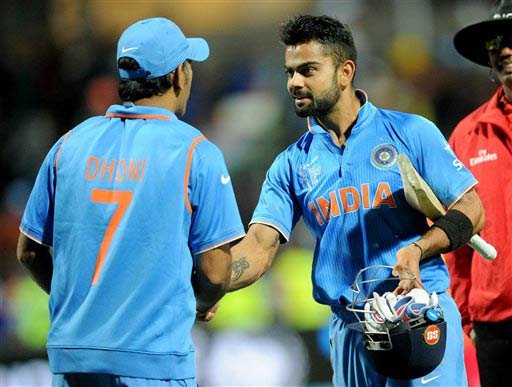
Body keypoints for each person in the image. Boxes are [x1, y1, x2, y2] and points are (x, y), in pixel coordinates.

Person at [226, 15, 485, 386]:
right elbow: (259, 246)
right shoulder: (291, 164)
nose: (294, 83)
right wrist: (212, 282)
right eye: (290, 72)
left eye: (308, 70)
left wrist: (419, 248)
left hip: (418, 313)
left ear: (345, 71)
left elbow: (472, 209)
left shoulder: (410, 132)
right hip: (352, 330)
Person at [16, 17, 245, 386]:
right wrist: (202, 302)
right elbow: (216, 272)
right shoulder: (195, 152)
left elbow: (28, 252)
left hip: (72, 365)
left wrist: (85, 304)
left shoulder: (68, 145)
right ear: (177, 77)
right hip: (153, 365)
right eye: (187, 66)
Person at [446, 1, 512, 386]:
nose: (503, 48)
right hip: (494, 328)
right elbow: (453, 230)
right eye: (496, 41)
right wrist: (465, 315)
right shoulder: (467, 135)